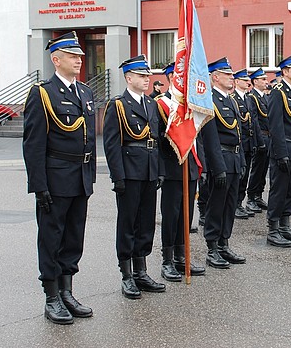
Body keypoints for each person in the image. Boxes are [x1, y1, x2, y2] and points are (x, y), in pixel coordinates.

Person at [23, 31, 96, 324]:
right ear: (56, 59)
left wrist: (88, 177)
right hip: (55, 178)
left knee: (74, 237)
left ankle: (67, 291)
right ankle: (51, 295)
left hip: (79, 178)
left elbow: (88, 139)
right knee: (52, 237)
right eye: (72, 56)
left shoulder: (85, 92)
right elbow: (33, 144)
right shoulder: (43, 93)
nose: (79, 60)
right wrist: (39, 186)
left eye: (79, 55)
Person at [103, 55, 167, 299]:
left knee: (146, 223)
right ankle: (127, 274)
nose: (146, 79)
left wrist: (160, 170)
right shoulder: (118, 105)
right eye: (141, 75)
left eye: (147, 75)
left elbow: (157, 140)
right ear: (129, 78)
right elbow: (112, 144)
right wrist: (117, 175)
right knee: (128, 223)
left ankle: (141, 271)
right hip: (129, 172)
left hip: (149, 169)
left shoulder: (151, 104)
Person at [155, 95, 206, 282]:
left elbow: (196, 138)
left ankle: (181, 256)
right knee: (171, 216)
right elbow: (159, 140)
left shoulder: (190, 104)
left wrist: (203, 167)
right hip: (172, 168)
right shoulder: (162, 105)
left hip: (190, 167)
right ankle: (167, 261)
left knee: (187, 215)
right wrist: (160, 170)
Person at [201, 57, 247, 268]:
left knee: (229, 205)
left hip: (234, 158)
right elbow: (210, 138)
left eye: (232, 74)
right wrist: (217, 167)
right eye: (227, 74)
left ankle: (224, 244)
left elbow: (238, 132)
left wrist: (242, 160)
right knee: (216, 205)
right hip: (221, 159)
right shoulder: (209, 101)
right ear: (215, 77)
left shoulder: (230, 100)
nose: (232, 77)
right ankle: (212, 248)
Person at [266, 54, 291, 247]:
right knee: (279, 190)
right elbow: (275, 126)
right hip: (284, 148)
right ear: (285, 72)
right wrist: (281, 153)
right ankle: (273, 229)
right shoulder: (277, 92)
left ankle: (285, 225)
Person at [231, 69, 258, 219]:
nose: (248, 82)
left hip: (249, 143)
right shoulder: (233, 98)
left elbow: (253, 122)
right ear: (236, 82)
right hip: (240, 142)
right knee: (239, 176)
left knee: (245, 174)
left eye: (248, 80)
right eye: (244, 80)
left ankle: (240, 202)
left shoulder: (248, 99)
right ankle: (235, 204)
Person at [246, 68, 270, 212]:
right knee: (257, 169)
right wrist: (260, 141)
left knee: (263, 168)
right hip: (260, 136)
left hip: (268, 136)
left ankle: (259, 195)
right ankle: (251, 197)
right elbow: (254, 121)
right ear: (255, 81)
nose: (266, 81)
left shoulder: (265, 97)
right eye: (263, 79)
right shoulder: (252, 97)